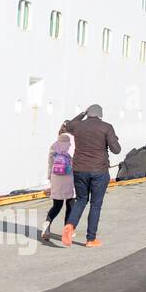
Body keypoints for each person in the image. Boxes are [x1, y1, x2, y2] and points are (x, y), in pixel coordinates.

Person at [62, 104, 121, 247]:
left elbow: (68, 125)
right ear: (100, 114)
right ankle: (91, 239)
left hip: (79, 169)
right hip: (98, 171)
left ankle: (70, 225)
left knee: (81, 200)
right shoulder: (106, 127)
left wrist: (82, 113)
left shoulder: (78, 126)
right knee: (96, 204)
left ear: (89, 113)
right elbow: (116, 150)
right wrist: (113, 139)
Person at [40, 123, 76, 243]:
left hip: (56, 177)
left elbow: (50, 163)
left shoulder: (54, 145)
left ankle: (47, 224)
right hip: (69, 176)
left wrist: (49, 179)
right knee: (70, 204)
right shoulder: (73, 144)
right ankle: (68, 230)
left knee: (57, 205)